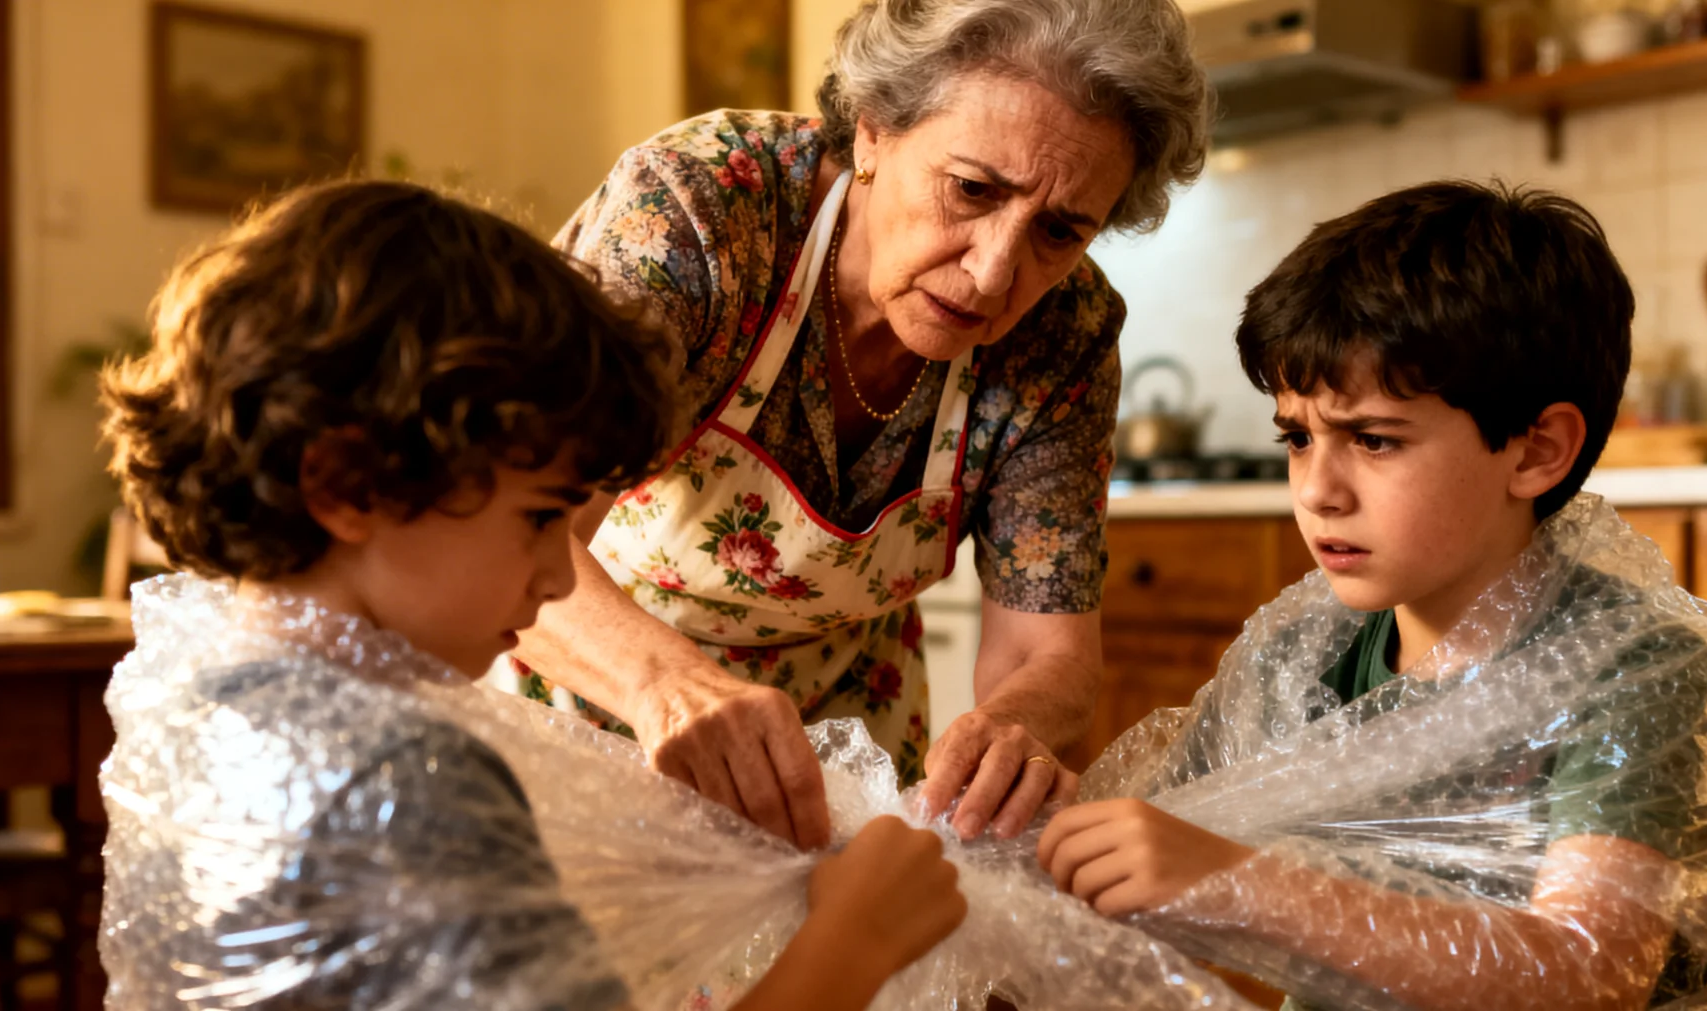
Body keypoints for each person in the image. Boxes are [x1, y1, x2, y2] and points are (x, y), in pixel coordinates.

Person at [96, 179, 968, 1010]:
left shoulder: (205, 701)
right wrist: (855, 938)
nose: (560, 577)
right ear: (349, 485)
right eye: (541, 516)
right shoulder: (409, 780)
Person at [1036, 182, 1707, 1009]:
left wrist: (1234, 880)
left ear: (1536, 451)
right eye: (1298, 437)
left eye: (1373, 439)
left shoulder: (1630, 670)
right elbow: (1159, 836)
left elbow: (1588, 972)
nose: (1317, 491)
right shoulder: (1302, 661)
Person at [514, 0, 1212, 849]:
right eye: (972, 189)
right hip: (588, 668)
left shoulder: (1065, 330)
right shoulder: (701, 211)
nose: (995, 274)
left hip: (851, 723)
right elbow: (512, 535)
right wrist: (668, 685)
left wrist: (1014, 731)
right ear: (873, 131)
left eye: (1059, 231)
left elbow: (1049, 652)